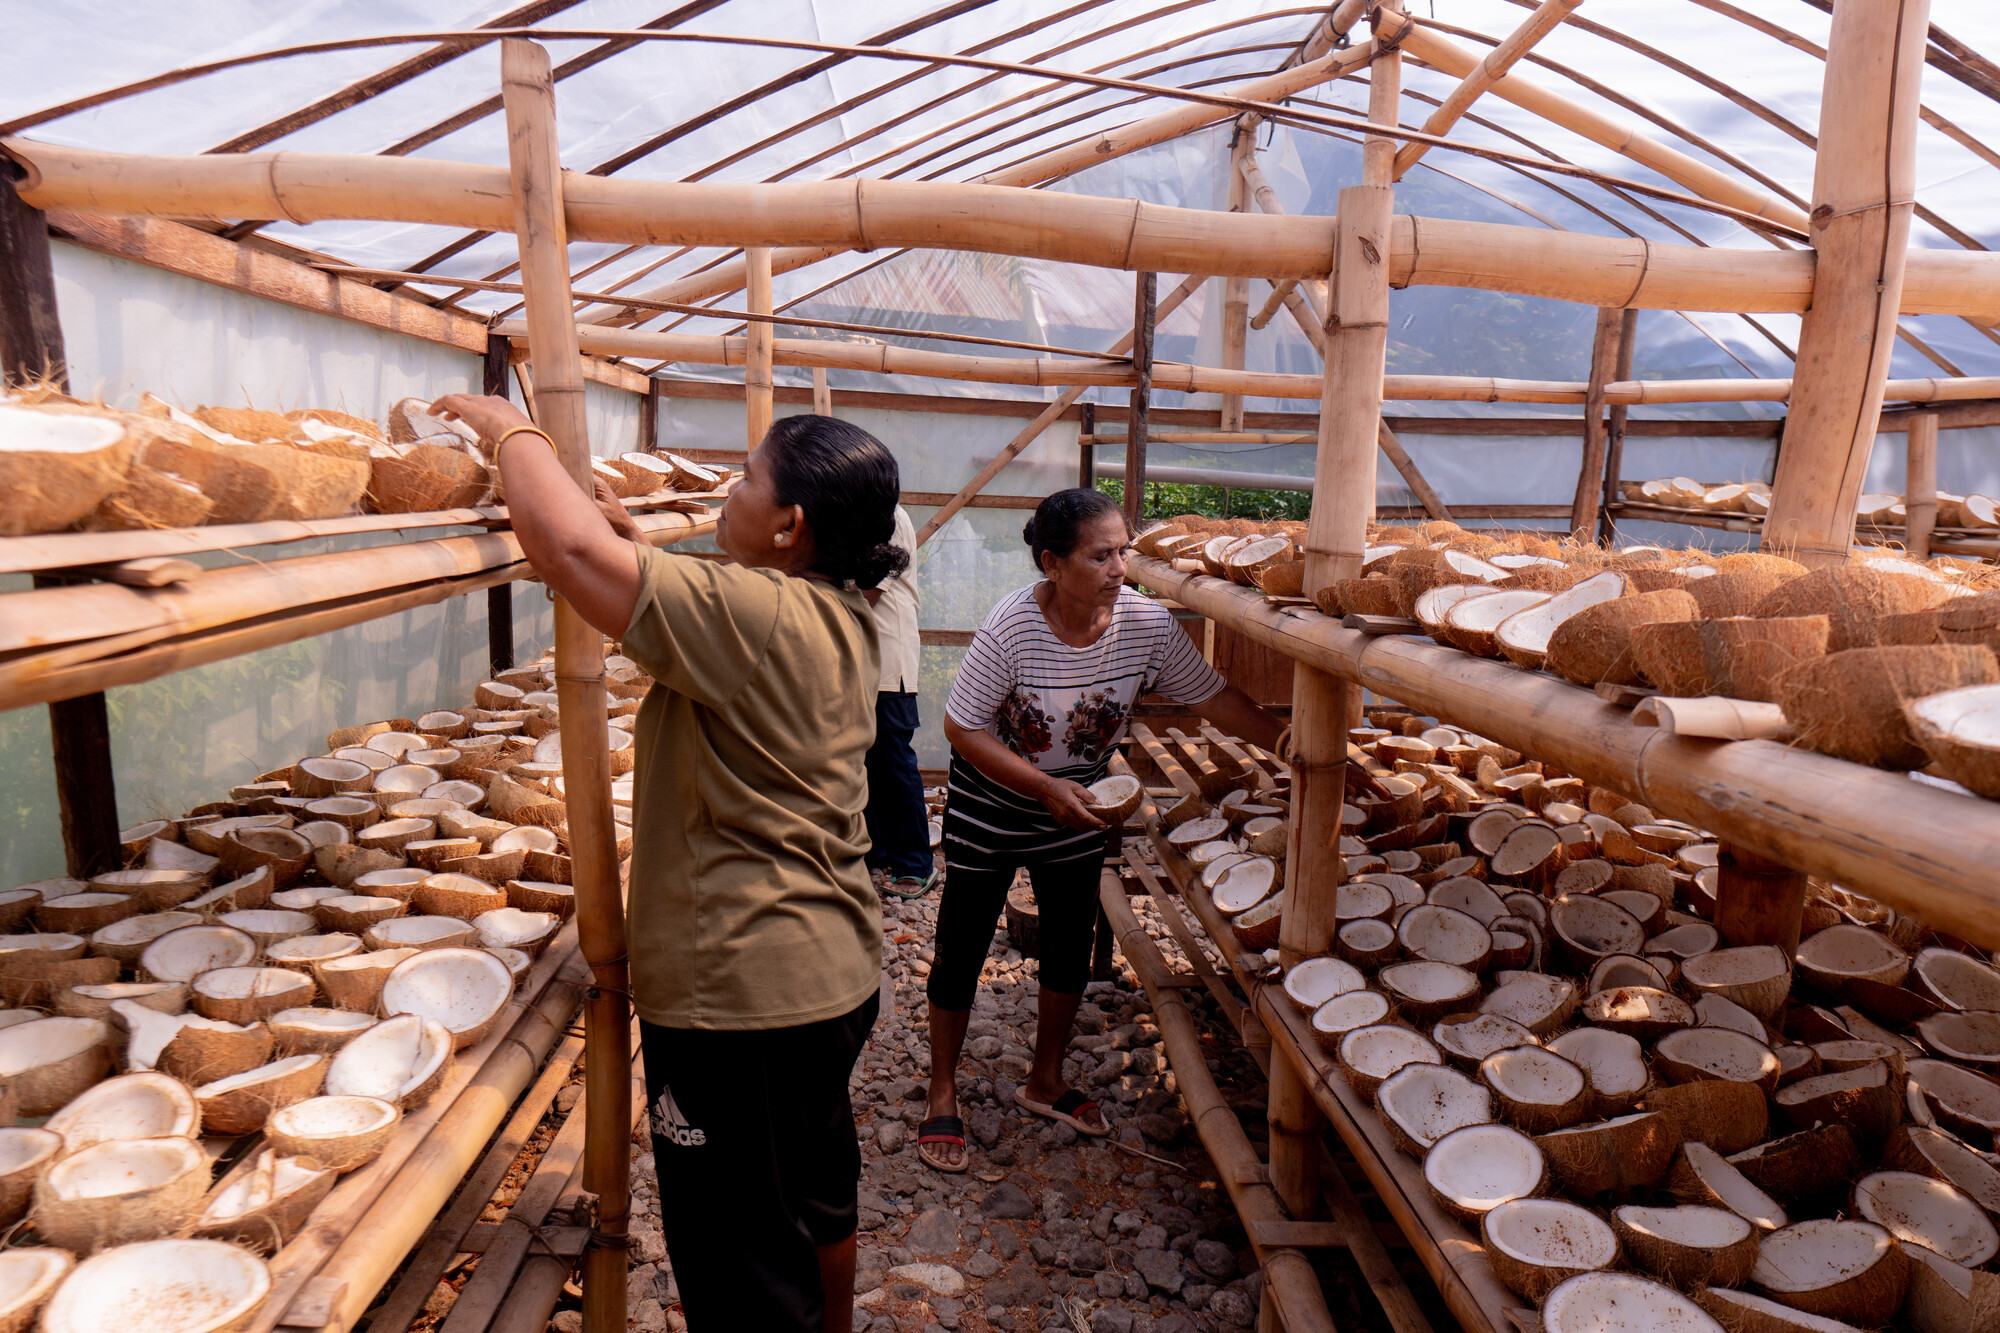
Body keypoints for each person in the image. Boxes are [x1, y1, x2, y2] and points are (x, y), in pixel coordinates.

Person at [433, 397, 896, 1333]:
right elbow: (665, 586)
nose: (730, 487)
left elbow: (565, 557)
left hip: (741, 997)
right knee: (811, 1200)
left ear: (790, 525)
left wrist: (508, 431)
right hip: (826, 972)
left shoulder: (758, 613)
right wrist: (631, 540)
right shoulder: (839, 606)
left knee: (743, 1270)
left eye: (748, 478)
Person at [917, 488, 1284, 1172]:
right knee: (961, 941)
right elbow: (961, 727)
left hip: (1080, 801)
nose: (1121, 566)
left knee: (1068, 942)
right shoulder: (1014, 627)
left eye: (1125, 549)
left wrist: (1292, 742)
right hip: (993, 803)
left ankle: (1046, 1079)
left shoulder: (1144, 624)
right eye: (1102, 554)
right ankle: (943, 1088)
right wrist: (1043, 786)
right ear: (1053, 564)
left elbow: (1212, 696)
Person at [864, 505, 936, 898]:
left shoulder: (886, 514)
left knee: (893, 761)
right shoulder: (853, 508)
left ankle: (915, 862)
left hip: (888, 658)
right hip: (861, 660)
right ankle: (879, 851)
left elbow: (871, 588)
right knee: (868, 759)